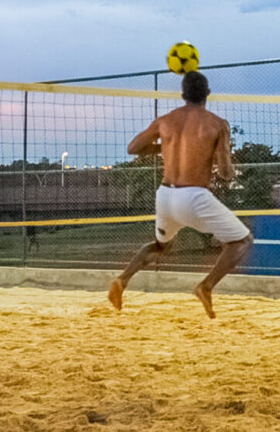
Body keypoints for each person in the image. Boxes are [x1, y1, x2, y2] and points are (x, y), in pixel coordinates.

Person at [107, 71, 253, 319]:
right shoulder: (217, 124)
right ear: (207, 94)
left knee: (160, 245)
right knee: (242, 241)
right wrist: (220, 152)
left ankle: (122, 280)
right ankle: (206, 286)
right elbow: (227, 174)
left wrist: (166, 147)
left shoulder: (165, 120)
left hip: (165, 195)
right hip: (194, 196)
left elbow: (133, 148)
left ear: (182, 94)